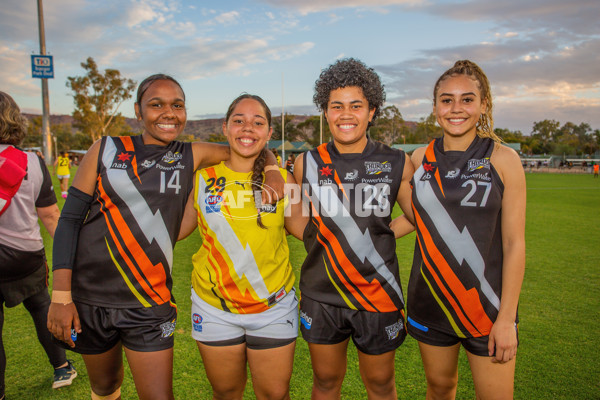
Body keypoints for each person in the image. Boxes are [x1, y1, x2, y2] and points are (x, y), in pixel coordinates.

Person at [46, 75, 284, 400]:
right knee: (104, 386)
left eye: (177, 105)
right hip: (91, 297)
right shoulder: (106, 148)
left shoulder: (191, 154)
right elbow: (70, 221)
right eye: (156, 104)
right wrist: (61, 297)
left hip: (149, 300)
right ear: (138, 111)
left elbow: (249, 146)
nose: (168, 113)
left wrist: (271, 169)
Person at [294, 58, 415, 399]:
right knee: (326, 383)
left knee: (379, 385)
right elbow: (295, 216)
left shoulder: (396, 161)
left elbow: (419, 215)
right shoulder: (307, 163)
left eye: (356, 105)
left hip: (377, 292)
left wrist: (384, 231)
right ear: (325, 111)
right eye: (336, 106)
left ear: (372, 111)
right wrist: (321, 236)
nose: (346, 114)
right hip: (322, 293)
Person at [406, 60, 526, 400]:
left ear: (484, 104)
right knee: (440, 389)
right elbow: (414, 217)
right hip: (431, 301)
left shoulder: (503, 159)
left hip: (487, 309)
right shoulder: (418, 158)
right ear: (434, 108)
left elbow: (515, 243)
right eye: (447, 100)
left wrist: (506, 319)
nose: (456, 108)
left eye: (467, 99)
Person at [179, 93, 307, 399]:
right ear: (225, 127)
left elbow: (309, 231)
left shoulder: (284, 181)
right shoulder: (201, 180)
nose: (247, 128)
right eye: (239, 120)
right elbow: (174, 231)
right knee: (226, 393)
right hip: (214, 308)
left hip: (273, 307)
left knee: (274, 395)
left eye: (257, 122)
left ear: (269, 133)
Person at [0, 91, 77, 400]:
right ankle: (61, 367)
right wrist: (70, 259)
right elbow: (50, 215)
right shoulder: (30, 161)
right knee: (43, 308)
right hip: (25, 256)